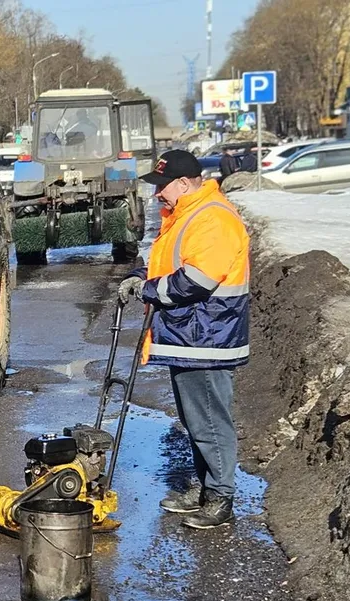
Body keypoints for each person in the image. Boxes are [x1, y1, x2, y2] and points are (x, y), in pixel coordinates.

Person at [118, 149, 250, 530]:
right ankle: (207, 489)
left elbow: (197, 279)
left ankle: (221, 497)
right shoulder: (187, 215)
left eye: (162, 186)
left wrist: (148, 289)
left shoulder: (212, 217)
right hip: (190, 334)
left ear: (182, 183)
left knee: (210, 420)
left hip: (207, 336)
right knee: (197, 420)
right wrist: (139, 274)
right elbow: (171, 266)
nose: (157, 193)